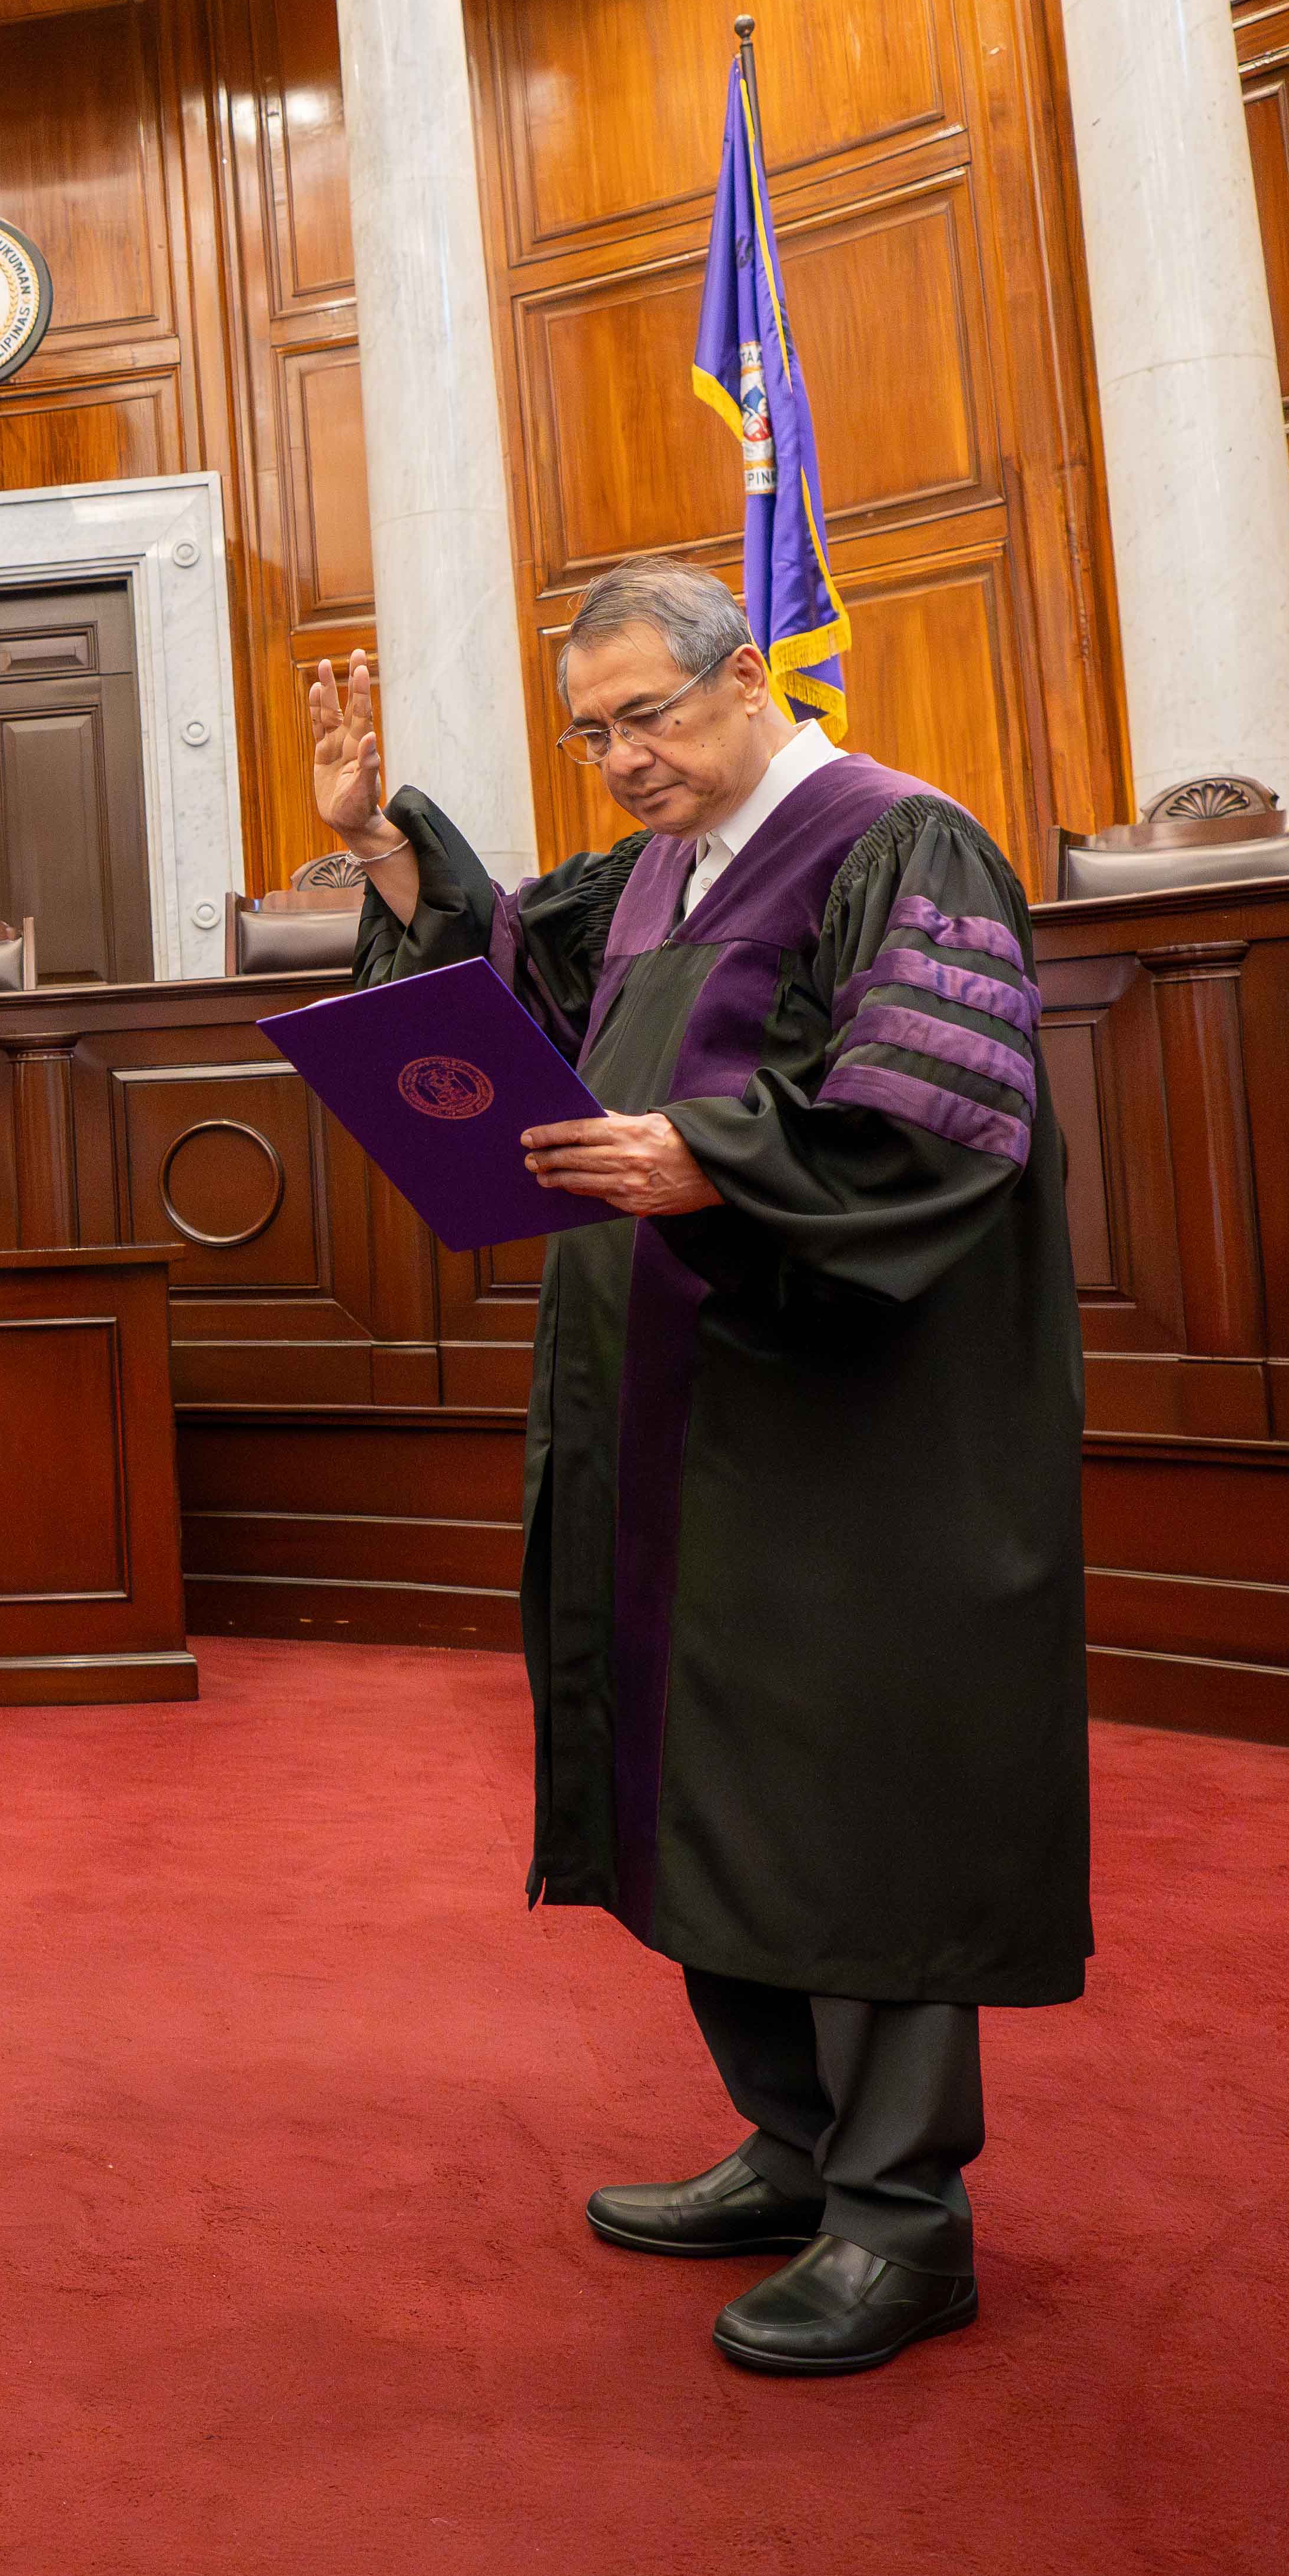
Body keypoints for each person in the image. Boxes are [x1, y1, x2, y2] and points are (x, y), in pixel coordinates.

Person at [301, 557, 1088, 2374]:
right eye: (591, 732)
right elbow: (510, 1012)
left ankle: (906, 2221)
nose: (622, 758)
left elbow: (937, 1120)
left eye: (647, 714)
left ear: (751, 678)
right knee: (699, 1771)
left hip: (838, 1425)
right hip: (675, 1408)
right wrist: (381, 850)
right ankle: (797, 2147)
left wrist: (721, 1163)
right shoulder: (668, 870)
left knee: (851, 1798)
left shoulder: (901, 845)